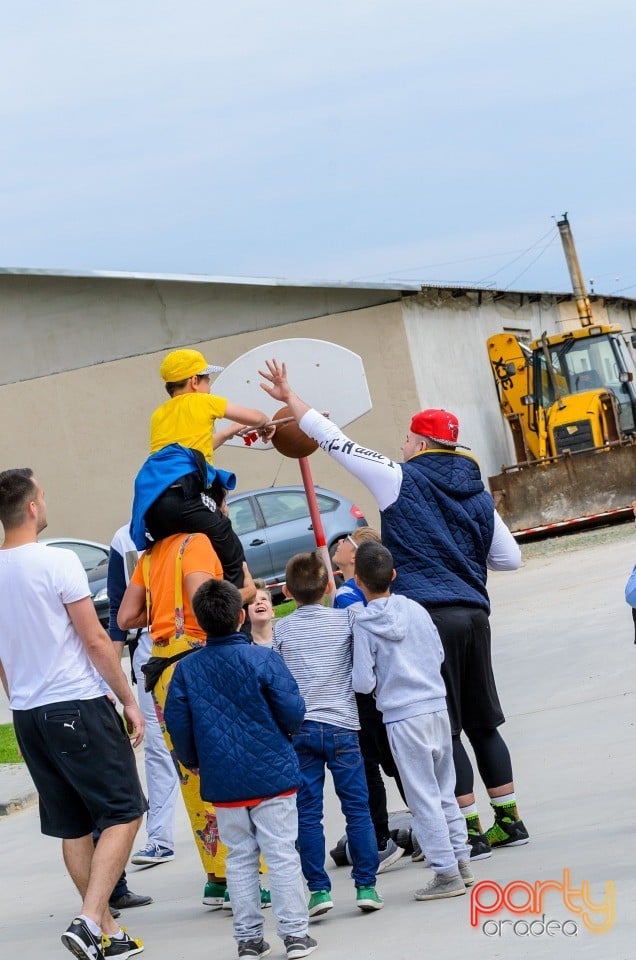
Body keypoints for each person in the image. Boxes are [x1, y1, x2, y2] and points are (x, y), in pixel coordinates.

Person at [260, 360, 527, 859]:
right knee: (483, 721)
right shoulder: (475, 491)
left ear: (422, 444)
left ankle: (466, 828)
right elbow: (509, 557)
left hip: (429, 618)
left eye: (407, 439)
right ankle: (509, 821)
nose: (402, 447)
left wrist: (291, 397)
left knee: (444, 726)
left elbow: (335, 441)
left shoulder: (399, 478)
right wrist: (462, 553)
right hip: (475, 614)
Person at [0, 468, 146, 960]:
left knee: (73, 824)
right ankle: (88, 921)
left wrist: (20, 696)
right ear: (32, 507)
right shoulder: (57, 562)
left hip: (28, 714)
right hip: (76, 704)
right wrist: (127, 699)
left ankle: (107, 932)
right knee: (125, 810)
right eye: (43, 493)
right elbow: (96, 639)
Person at [164, 578, 318, 960]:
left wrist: (194, 761)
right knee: (281, 852)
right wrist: (287, 733)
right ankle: (296, 934)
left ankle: (249, 938)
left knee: (239, 855)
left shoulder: (186, 670)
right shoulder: (263, 658)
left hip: (224, 779)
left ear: (199, 621)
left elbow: (178, 725)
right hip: (273, 774)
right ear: (240, 615)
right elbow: (294, 710)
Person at [117, 529, 266, 909]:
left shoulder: (150, 555)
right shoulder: (196, 543)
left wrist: (164, 607)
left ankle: (216, 877)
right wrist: (245, 592)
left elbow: (126, 616)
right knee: (229, 764)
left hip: (163, 670)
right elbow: (205, 604)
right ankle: (245, 878)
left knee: (190, 771)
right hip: (200, 662)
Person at [352, 541, 473, 900]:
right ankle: (462, 861)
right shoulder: (418, 610)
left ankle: (445, 873)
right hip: (436, 706)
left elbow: (362, 681)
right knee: (444, 790)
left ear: (358, 581)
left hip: (402, 717)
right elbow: (437, 654)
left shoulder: (363, 623)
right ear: (393, 575)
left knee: (422, 799)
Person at [273, 551, 383, 917]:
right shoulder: (346, 620)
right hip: (343, 728)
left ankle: (319, 891)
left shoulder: (282, 629)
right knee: (357, 809)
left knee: (307, 813)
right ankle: (366, 885)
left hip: (300, 730)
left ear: (286, 591)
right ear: (327, 587)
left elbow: (276, 680)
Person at [130, 347, 272, 592]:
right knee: (228, 544)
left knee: (187, 551)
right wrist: (265, 423)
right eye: (207, 379)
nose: (209, 385)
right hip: (182, 496)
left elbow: (188, 452)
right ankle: (237, 605)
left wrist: (226, 433)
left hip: (154, 505)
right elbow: (256, 416)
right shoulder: (203, 401)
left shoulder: (159, 415)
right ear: (194, 381)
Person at [331, 528, 405, 873]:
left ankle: (379, 838)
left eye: (347, 540)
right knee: (399, 766)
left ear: (356, 556)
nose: (340, 542)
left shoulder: (347, 596)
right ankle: (425, 825)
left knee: (372, 767)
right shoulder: (394, 600)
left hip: (366, 695)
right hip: (389, 690)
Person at [107, 524, 179, 869]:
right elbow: (118, 611)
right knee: (157, 747)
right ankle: (160, 837)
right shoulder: (124, 539)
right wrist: (110, 678)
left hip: (196, 639)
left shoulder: (194, 526)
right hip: (150, 649)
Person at [248, 580, 275, 647]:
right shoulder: (243, 648)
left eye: (263, 599)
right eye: (252, 601)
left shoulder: (287, 638)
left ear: (272, 612)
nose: (259, 602)